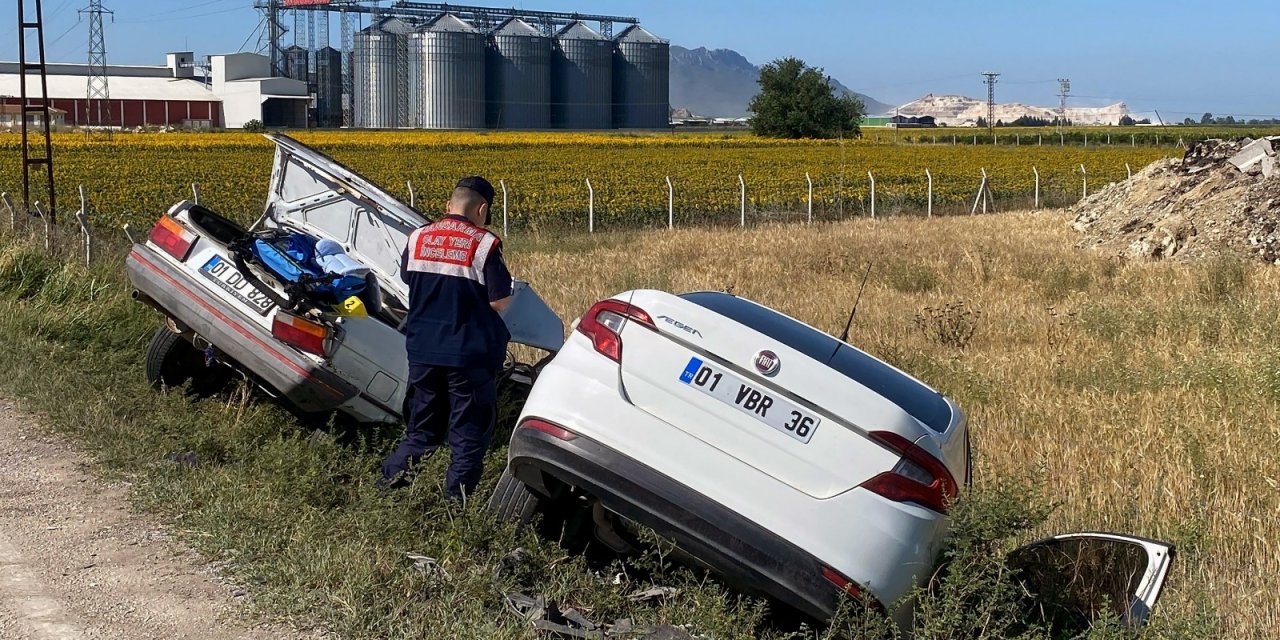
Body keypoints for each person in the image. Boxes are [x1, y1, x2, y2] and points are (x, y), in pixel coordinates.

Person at [380, 176, 513, 498]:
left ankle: (387, 493)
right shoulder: (484, 243)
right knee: (467, 438)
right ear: (482, 209)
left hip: (422, 352)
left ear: (448, 205)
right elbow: (499, 301)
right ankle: (455, 507)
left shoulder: (417, 238)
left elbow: (408, 277)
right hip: (468, 356)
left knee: (420, 432)